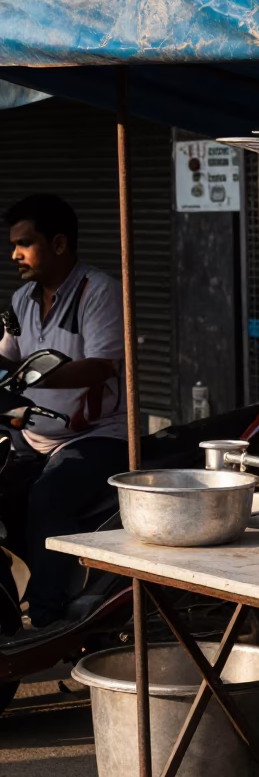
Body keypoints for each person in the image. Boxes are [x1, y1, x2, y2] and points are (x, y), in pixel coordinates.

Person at [0, 194, 128, 632]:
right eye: (13, 244)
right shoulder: (21, 300)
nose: (15, 253)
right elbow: (8, 359)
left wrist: (26, 379)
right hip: (34, 436)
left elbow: (100, 365)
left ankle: (48, 615)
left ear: (58, 244)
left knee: (48, 496)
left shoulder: (100, 291)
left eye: (25, 243)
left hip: (98, 436)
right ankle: (44, 579)